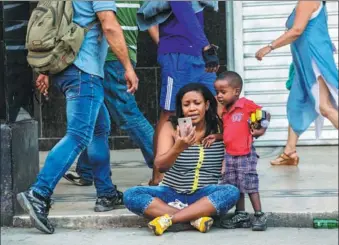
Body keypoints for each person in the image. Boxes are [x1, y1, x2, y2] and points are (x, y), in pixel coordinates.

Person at [17, 1, 139, 234]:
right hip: (85, 72)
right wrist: (128, 67)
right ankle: (39, 193)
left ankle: (106, 193)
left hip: (66, 68)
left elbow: (59, 24)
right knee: (78, 136)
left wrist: (45, 70)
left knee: (99, 129)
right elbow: (110, 25)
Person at [63, 1, 159, 189]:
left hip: (109, 56)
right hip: (123, 54)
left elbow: (108, 24)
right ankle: (86, 169)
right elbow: (151, 18)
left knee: (127, 113)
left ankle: (165, 167)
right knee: (96, 114)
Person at [123, 83, 240, 236]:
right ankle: (194, 218)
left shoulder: (220, 127)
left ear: (206, 105)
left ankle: (171, 219)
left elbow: (247, 130)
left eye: (197, 103)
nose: (192, 108)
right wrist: (178, 148)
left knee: (231, 191)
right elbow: (160, 166)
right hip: (170, 193)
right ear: (181, 108)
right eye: (186, 104)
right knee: (131, 195)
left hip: (204, 195)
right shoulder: (171, 128)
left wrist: (259, 127)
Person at [255, 1, 338, 165]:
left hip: (313, 61)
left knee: (325, 107)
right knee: (297, 102)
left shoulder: (308, 1)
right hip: (303, 61)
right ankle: (289, 151)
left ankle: (289, 151)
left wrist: (269, 47)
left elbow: (297, 30)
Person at [149, 1, 220, 185]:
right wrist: (205, 46)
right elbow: (182, 9)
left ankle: (199, 171)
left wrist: (203, 46)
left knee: (213, 105)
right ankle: (158, 176)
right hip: (177, 54)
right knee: (171, 112)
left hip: (197, 52)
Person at [214, 71, 271, 231]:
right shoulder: (225, 112)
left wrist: (261, 130)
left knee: (250, 184)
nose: (219, 96)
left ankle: (259, 215)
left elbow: (265, 114)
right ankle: (241, 214)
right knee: (234, 186)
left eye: (223, 92)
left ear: (236, 91)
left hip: (245, 154)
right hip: (230, 155)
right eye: (217, 92)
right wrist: (216, 137)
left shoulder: (245, 104)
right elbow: (229, 133)